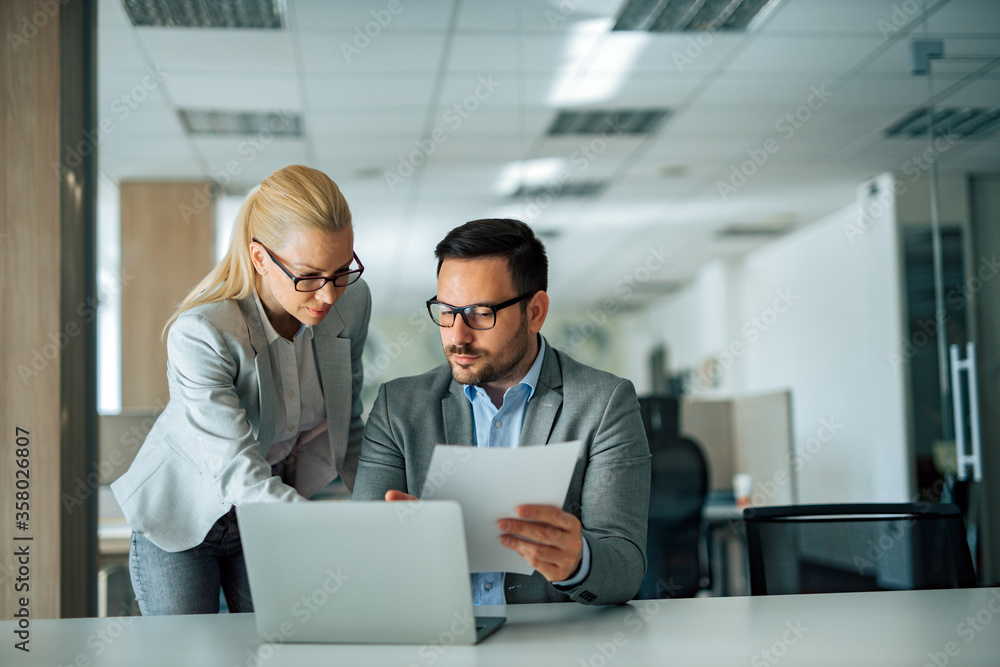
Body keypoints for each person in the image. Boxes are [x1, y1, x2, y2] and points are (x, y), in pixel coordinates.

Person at [112, 165, 371, 615]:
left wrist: (382, 515)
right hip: (183, 517)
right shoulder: (203, 334)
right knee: (188, 655)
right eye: (309, 276)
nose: (329, 295)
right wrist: (326, 529)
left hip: (268, 512)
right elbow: (236, 471)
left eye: (341, 270)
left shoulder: (353, 304)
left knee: (281, 646)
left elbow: (346, 426)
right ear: (259, 258)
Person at [353, 218, 650, 605]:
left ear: (535, 312)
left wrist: (578, 562)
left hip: (554, 648)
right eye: (446, 311)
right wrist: (398, 545)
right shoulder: (399, 407)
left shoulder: (604, 403)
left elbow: (625, 569)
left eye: (480, 312)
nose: (457, 335)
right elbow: (362, 556)